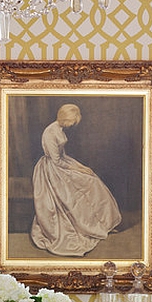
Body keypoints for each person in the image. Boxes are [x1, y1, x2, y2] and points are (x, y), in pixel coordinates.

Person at [30, 103, 121, 256]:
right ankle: (86, 227)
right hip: (52, 171)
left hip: (62, 164)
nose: (72, 125)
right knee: (76, 192)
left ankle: (101, 224)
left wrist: (82, 167)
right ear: (64, 118)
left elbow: (63, 156)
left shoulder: (59, 128)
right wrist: (78, 170)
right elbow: (57, 161)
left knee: (92, 179)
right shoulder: (50, 132)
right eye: (71, 121)